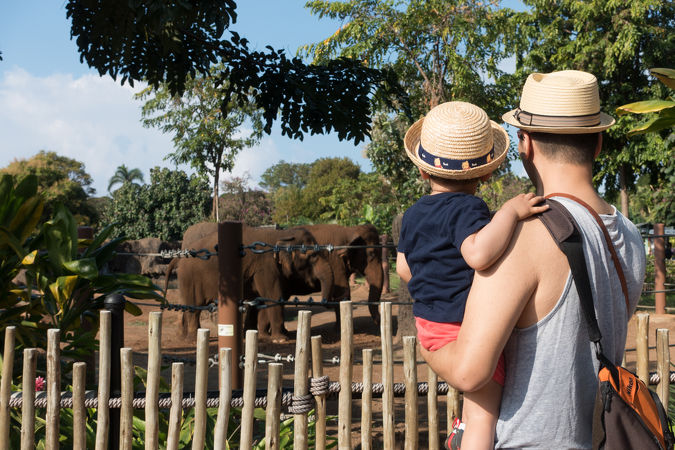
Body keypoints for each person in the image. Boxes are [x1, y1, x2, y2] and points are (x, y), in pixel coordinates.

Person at [420, 70, 646, 449]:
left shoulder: (525, 235)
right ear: (599, 143)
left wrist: (425, 342)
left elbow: (468, 371)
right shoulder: (629, 234)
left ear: (524, 143)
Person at [396, 101, 549, 450]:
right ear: (485, 174)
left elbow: (404, 268)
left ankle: (461, 427)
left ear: (423, 171)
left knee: (473, 400)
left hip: (428, 325)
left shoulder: (414, 213)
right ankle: (471, 433)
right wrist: (510, 212)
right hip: (461, 330)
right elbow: (478, 254)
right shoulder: (469, 208)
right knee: (484, 413)